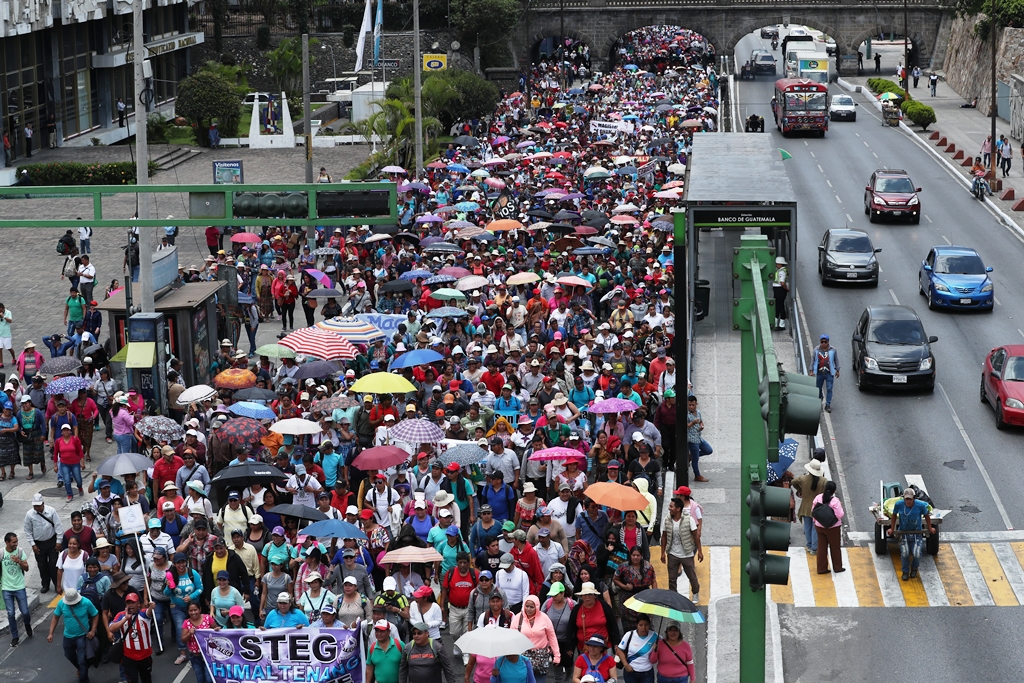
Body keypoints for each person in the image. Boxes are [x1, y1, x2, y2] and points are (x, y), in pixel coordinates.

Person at [47, 588, 99, 683]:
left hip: (82, 636)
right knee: (69, 655)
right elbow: (55, 617)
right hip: (68, 636)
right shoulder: (61, 603)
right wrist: (51, 633)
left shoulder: (86, 602)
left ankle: (84, 679)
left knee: (82, 659)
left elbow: (95, 615)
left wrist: (93, 630)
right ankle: (81, 668)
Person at [661, 493, 703, 604]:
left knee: (691, 576)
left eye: (671, 506)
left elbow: (696, 535)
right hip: (672, 554)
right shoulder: (667, 520)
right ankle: (673, 596)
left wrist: (699, 551)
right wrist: (662, 553)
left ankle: (695, 593)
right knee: (672, 578)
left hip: (687, 553)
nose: (669, 508)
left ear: (678, 509)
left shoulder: (689, 520)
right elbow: (664, 536)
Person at [107, 592, 155, 683]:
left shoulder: (143, 613)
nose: (131, 605)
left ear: (138, 604)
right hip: (129, 657)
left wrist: (151, 607)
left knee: (147, 680)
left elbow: (149, 612)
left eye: (133, 603)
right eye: (128, 603)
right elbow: (111, 628)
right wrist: (126, 618)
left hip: (145, 657)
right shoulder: (121, 615)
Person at [511, 595, 559, 683]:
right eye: (527, 606)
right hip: (522, 657)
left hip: (540, 658)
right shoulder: (518, 618)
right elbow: (512, 637)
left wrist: (557, 655)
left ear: (537, 607)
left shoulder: (544, 618)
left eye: (531, 607)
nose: (528, 609)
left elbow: (552, 637)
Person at [891, 487, 934, 581]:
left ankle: (914, 568)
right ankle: (905, 571)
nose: (908, 501)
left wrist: (930, 528)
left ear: (914, 498)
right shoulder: (899, 505)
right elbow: (893, 515)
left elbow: (927, 515)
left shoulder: (920, 505)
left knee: (917, 554)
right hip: (904, 532)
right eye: (906, 499)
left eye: (910, 499)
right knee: (905, 553)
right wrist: (892, 528)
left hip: (916, 532)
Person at [24, 492, 63, 593]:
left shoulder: (51, 511)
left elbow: (58, 526)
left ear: (43, 504)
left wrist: (58, 541)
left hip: (51, 542)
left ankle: (56, 584)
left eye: (38, 505)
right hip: (39, 544)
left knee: (53, 564)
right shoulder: (29, 515)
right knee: (42, 565)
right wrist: (33, 545)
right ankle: (45, 584)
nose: (36, 507)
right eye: (35, 506)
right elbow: (28, 531)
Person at [791, 459, 828, 555]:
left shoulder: (803, 479)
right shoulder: (823, 481)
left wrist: (800, 490)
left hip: (805, 507)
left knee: (807, 526)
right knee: (815, 528)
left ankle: (809, 545)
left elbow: (793, 482)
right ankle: (814, 547)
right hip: (817, 507)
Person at [2, 532, 33, 645]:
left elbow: (27, 568)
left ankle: (27, 624)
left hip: (19, 587)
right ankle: (15, 636)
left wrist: (19, 561)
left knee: (25, 611)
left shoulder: (20, 552)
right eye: (13, 542)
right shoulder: (1, 553)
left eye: (16, 541)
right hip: (6, 588)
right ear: (7, 542)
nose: (16, 544)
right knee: (10, 613)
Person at [811, 481, 845, 574]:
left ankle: (821, 568)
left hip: (819, 526)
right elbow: (840, 514)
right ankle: (837, 567)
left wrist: (815, 522)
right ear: (834, 491)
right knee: (835, 547)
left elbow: (813, 511)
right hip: (833, 528)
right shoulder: (835, 501)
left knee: (821, 547)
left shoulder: (818, 498)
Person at [180, 601, 217, 683]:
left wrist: (215, 630)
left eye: (195, 610)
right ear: (188, 611)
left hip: (209, 656)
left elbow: (217, 632)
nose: (193, 612)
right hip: (195, 656)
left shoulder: (208, 618)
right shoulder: (186, 623)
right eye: (191, 611)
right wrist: (189, 633)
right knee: (200, 679)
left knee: (209, 679)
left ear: (200, 609)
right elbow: (183, 640)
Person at [616, 615, 657, 683]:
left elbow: (667, 644)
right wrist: (626, 665)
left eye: (646, 625)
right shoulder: (629, 635)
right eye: (641, 625)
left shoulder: (655, 636)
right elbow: (620, 650)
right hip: (630, 672)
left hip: (647, 674)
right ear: (637, 625)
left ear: (649, 625)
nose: (643, 628)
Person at [812, 334, 839, 413]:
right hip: (820, 373)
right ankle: (819, 399)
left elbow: (836, 360)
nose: (823, 343)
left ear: (828, 342)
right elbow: (813, 360)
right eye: (822, 342)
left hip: (829, 373)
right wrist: (811, 370)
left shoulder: (833, 350)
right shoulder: (816, 350)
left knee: (829, 388)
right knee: (818, 388)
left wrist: (837, 370)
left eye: (825, 342)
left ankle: (828, 404)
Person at [772, 256, 788, 330]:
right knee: (777, 307)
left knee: (780, 306)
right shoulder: (780, 271)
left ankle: (781, 325)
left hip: (780, 290)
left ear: (781, 264)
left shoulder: (782, 272)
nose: (776, 265)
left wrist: (786, 289)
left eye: (777, 263)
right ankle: (776, 323)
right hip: (778, 290)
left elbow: (782, 283)